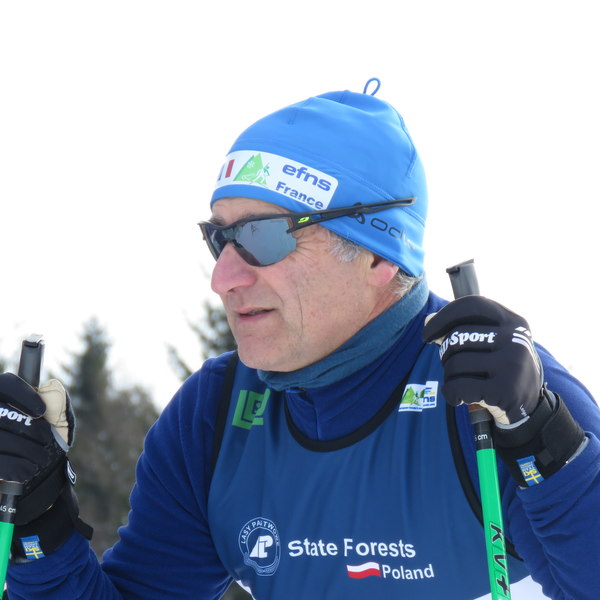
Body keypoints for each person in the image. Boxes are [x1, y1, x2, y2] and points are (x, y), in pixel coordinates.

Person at [2, 80, 599, 600]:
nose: (222, 279)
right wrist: (37, 519)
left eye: (261, 237)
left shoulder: (492, 396)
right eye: (219, 238)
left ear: (378, 255)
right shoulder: (213, 417)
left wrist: (542, 439)